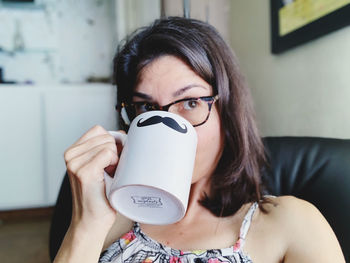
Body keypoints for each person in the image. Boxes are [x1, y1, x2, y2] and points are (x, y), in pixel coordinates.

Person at [54, 17, 345, 263]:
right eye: (145, 107)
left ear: (227, 112)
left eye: (190, 103)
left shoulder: (290, 224)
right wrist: (86, 227)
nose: (165, 127)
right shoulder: (108, 216)